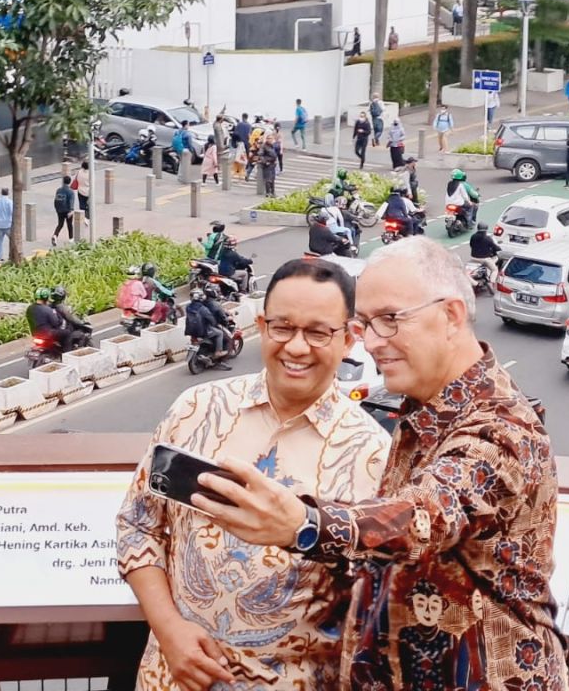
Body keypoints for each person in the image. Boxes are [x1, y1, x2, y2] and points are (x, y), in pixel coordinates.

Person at [186, 237, 569, 690]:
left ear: (450, 316)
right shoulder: (425, 412)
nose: (369, 343)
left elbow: (424, 516)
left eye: (389, 320)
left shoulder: (501, 429)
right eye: (364, 324)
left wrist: (304, 524)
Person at [116, 259, 391, 690]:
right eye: (283, 327)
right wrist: (169, 630)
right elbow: (137, 525)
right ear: (261, 325)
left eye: (318, 332)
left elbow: (378, 595)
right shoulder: (197, 409)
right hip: (171, 676)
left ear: (349, 338)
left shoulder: (374, 455)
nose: (297, 347)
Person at [50, 285, 88, 352]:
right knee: (79, 335)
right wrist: (81, 323)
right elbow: (71, 318)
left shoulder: (49, 306)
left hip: (51, 330)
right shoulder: (61, 307)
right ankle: (68, 354)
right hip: (60, 330)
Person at [469, 222, 500, 292]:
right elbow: (495, 247)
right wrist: (499, 249)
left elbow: (471, 245)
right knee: (494, 269)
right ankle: (491, 282)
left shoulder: (473, 236)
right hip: (484, 259)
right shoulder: (487, 238)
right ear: (486, 229)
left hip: (473, 258)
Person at [51, 175, 75, 247]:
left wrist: (56, 209)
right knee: (69, 225)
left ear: (63, 182)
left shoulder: (58, 190)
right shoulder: (71, 192)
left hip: (59, 210)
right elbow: (71, 201)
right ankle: (71, 239)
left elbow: (55, 200)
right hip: (67, 210)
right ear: (70, 182)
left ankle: (55, 235)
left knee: (60, 224)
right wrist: (71, 210)